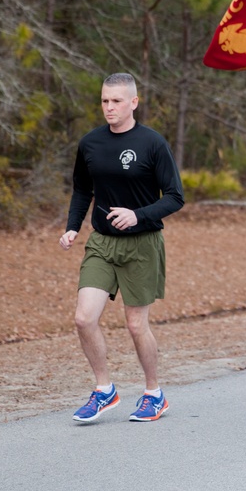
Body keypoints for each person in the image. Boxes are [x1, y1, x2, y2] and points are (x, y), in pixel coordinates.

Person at [60, 72, 184, 423]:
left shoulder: (152, 143)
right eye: (104, 101)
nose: (109, 107)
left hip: (142, 244)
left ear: (133, 102)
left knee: (135, 325)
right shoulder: (90, 143)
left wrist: (138, 215)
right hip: (101, 243)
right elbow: (82, 190)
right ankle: (104, 390)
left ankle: (153, 393)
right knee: (84, 319)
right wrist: (72, 228)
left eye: (116, 101)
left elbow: (175, 197)